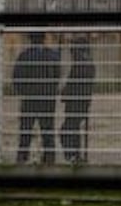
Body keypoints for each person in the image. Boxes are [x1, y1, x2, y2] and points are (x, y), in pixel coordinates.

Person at [12, 32, 61, 164]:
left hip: (29, 99)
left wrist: (24, 91)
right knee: (47, 131)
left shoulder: (24, 56)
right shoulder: (52, 55)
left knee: (25, 130)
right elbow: (57, 76)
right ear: (44, 39)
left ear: (31, 39)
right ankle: (49, 159)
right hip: (47, 100)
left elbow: (16, 77)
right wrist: (50, 91)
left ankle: (22, 158)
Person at [60, 36, 96, 164]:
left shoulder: (81, 64)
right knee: (73, 129)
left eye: (73, 49)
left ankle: (72, 156)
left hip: (76, 102)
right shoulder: (88, 62)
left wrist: (65, 92)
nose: (71, 51)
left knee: (67, 129)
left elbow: (76, 84)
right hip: (82, 102)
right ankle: (76, 155)